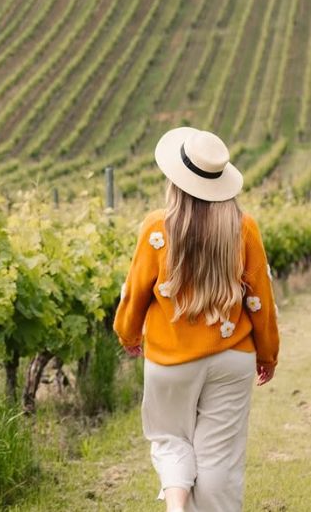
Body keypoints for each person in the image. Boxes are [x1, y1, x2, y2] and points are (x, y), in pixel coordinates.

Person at [113, 127, 280, 512]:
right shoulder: (243, 227)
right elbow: (260, 302)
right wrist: (267, 355)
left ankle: (176, 507)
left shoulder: (157, 227)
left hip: (169, 362)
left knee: (171, 439)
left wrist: (128, 334)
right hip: (232, 359)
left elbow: (135, 291)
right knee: (220, 458)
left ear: (175, 179)